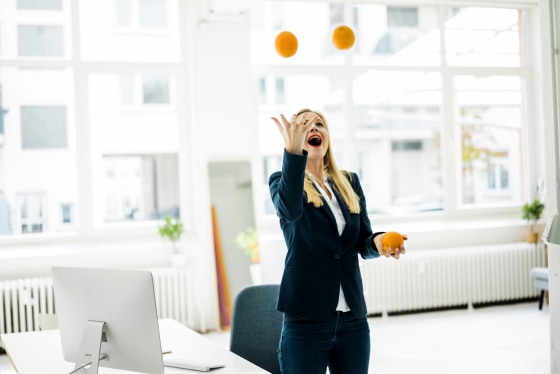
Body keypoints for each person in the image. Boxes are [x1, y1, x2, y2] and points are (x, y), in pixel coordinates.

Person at [269, 108, 407, 374]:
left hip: (352, 320)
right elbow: (289, 211)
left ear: (327, 135)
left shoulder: (349, 182)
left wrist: (378, 243)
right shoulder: (281, 182)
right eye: (304, 125)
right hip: (306, 319)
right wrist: (293, 152)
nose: (314, 129)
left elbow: (363, 241)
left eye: (319, 124)